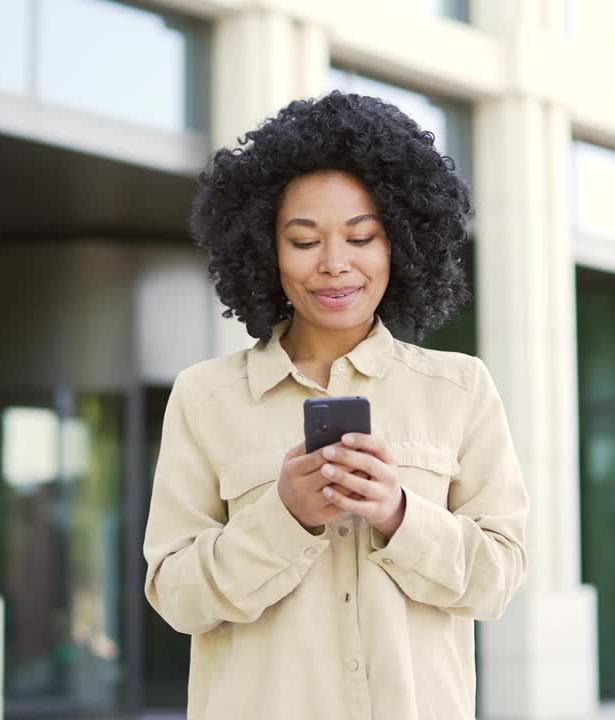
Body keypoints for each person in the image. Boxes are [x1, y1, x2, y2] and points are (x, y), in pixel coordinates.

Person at [142, 90, 529, 719]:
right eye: (303, 240)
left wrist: (400, 514)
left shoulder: (460, 389)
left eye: (361, 236)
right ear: (266, 249)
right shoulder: (204, 398)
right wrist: (284, 517)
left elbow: (499, 579)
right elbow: (175, 595)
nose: (334, 265)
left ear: (398, 243)